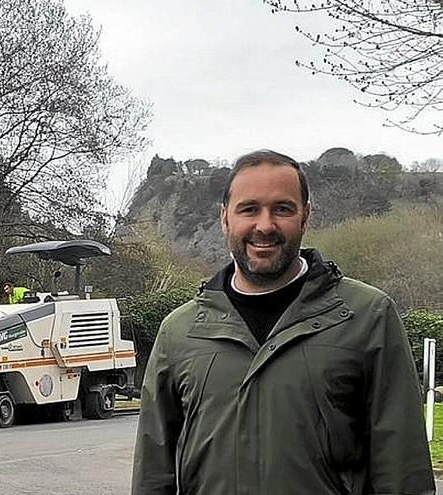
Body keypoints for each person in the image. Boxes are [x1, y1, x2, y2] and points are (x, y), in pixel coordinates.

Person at [132, 150, 434, 494]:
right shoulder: (179, 332)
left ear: (305, 216)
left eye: (282, 209)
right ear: (225, 218)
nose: (265, 225)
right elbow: (153, 476)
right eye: (249, 209)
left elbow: (403, 471)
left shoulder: (369, 316)